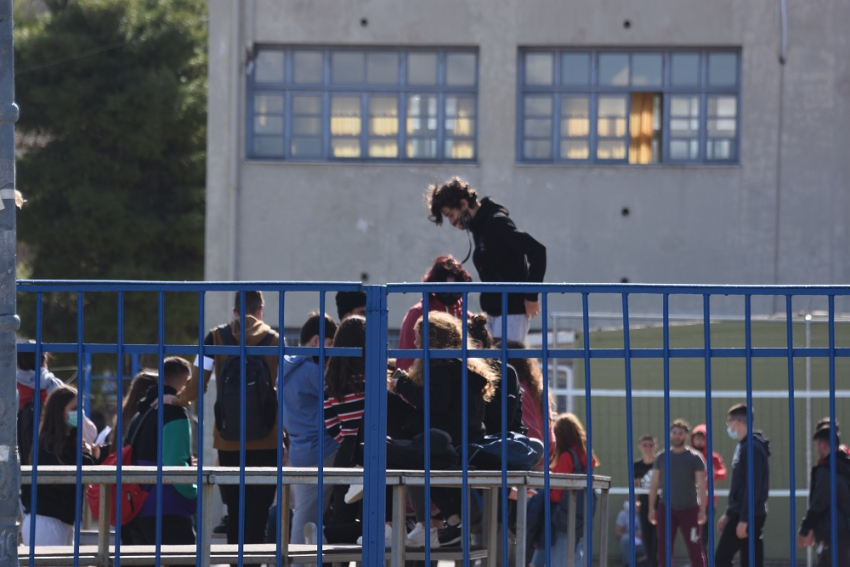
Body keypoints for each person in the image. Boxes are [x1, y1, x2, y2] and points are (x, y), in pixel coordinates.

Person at [173, 291, 281, 551]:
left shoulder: (215, 338)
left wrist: (175, 400)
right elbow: (283, 389)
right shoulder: (275, 340)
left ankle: (236, 559)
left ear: (235, 312)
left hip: (228, 439)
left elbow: (196, 387)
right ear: (261, 310)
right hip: (268, 440)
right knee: (259, 510)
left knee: (235, 510)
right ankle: (255, 559)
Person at [391, 311, 498, 547]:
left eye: (419, 337)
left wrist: (402, 384)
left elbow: (436, 402)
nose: (416, 343)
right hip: (469, 436)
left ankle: (449, 521)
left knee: (417, 456)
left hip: (449, 439)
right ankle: (452, 523)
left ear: (431, 339)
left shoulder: (438, 364)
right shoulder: (463, 365)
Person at [425, 177, 547, 342]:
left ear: (464, 204)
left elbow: (537, 250)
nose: (452, 222)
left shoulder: (496, 222)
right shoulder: (480, 228)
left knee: (504, 358)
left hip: (511, 312)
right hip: (494, 312)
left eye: (451, 215)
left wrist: (531, 296)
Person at [122, 357, 197, 547]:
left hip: (138, 506)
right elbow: (174, 466)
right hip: (167, 506)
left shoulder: (142, 413)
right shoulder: (175, 413)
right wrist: (194, 492)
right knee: (182, 559)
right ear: (186, 381)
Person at [282, 312, 339, 552]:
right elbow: (338, 394)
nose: (333, 351)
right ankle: (300, 558)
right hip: (323, 447)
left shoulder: (288, 366)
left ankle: (302, 555)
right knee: (307, 514)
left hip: (301, 447)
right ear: (317, 341)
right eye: (331, 344)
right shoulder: (311, 371)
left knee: (306, 510)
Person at [21, 385, 97, 546]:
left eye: (81, 408)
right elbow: (71, 477)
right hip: (45, 522)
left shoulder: (65, 442)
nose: (80, 413)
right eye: (74, 409)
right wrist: (88, 456)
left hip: (62, 521)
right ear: (59, 411)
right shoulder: (50, 444)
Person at [527, 412, 599, 567]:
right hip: (581, 514)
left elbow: (557, 493)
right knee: (575, 554)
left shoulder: (567, 456)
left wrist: (542, 491)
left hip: (561, 516)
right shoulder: (586, 456)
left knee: (555, 556)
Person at [714, 404, 771, 567]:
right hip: (743, 512)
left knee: (721, 560)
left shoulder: (751, 448)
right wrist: (729, 512)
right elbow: (740, 484)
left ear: (738, 422)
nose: (728, 426)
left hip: (747, 514)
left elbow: (753, 486)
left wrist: (744, 518)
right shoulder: (744, 446)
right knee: (751, 560)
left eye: (729, 422)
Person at [396, 254, 472, 372]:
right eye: (445, 290)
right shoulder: (418, 313)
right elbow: (407, 356)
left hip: (460, 380)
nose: (450, 295)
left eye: (456, 290)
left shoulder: (467, 316)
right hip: (425, 379)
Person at [647, 420, 707, 567]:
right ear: (670, 434)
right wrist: (651, 509)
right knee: (664, 550)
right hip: (666, 509)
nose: (677, 436)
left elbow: (701, 485)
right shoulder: (662, 457)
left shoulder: (695, 457)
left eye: (680, 433)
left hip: (690, 509)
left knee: (695, 547)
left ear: (686, 436)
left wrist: (702, 510)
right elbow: (654, 484)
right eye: (674, 433)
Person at [797, 423, 850, 567]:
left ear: (823, 445)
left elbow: (820, 501)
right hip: (840, 530)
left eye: (816, 445)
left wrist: (805, 528)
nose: (816, 449)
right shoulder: (844, 466)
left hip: (834, 531)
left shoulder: (827, 470)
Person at [507, 339, 556, 470]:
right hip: (542, 458)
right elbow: (549, 432)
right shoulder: (536, 390)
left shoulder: (516, 390)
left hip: (526, 459)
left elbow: (529, 430)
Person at [16, 346, 64, 468]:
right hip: (51, 447)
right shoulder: (55, 385)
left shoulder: (10, 385)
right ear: (44, 359)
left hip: (16, 447)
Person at [691, 423, 727, 554]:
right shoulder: (688, 455)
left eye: (703, 438)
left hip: (707, 503)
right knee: (692, 533)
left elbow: (723, 473)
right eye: (697, 438)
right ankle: (695, 559)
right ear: (692, 439)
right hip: (690, 501)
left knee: (704, 534)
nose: (700, 441)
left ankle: (704, 560)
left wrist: (714, 474)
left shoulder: (713, 457)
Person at [633, 435, 658, 567]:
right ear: (640, 447)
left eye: (650, 445)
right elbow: (635, 485)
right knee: (647, 536)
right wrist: (636, 501)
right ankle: (650, 563)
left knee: (658, 537)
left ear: (655, 447)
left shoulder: (659, 463)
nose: (648, 448)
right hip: (644, 504)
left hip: (660, 503)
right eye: (645, 445)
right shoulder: (637, 465)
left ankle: (657, 563)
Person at [615, 500, 646, 567]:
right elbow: (618, 533)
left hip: (644, 543)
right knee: (625, 539)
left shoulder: (646, 513)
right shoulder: (623, 514)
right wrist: (634, 534)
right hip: (631, 542)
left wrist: (644, 534)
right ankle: (628, 564)